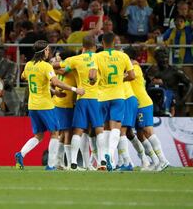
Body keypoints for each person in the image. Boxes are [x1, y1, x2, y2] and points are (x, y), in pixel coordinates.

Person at [14, 40, 84, 170]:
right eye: (48, 50)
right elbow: (56, 82)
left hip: (33, 105)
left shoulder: (28, 65)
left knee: (39, 135)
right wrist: (75, 90)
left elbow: (26, 78)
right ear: (44, 51)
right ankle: (51, 165)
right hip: (45, 105)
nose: (49, 52)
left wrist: (53, 91)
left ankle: (21, 154)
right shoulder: (46, 66)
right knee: (55, 133)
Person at [54, 35, 106, 171]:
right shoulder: (99, 57)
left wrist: (49, 66)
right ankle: (102, 161)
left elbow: (60, 68)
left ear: (83, 47)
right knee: (99, 129)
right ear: (94, 47)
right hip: (96, 98)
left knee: (78, 131)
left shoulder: (75, 59)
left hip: (81, 98)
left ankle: (73, 162)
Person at [125, 46, 170, 171]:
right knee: (140, 134)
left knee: (148, 131)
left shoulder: (135, 68)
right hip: (136, 104)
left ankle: (163, 160)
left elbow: (126, 76)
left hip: (142, 103)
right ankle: (155, 161)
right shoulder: (131, 67)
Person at [95, 32, 135, 171]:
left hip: (102, 97)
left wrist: (93, 80)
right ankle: (110, 155)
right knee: (116, 127)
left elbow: (92, 76)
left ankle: (105, 161)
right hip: (118, 96)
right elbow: (132, 76)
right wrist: (120, 79)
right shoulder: (123, 56)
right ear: (114, 43)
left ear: (102, 44)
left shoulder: (97, 56)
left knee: (105, 127)